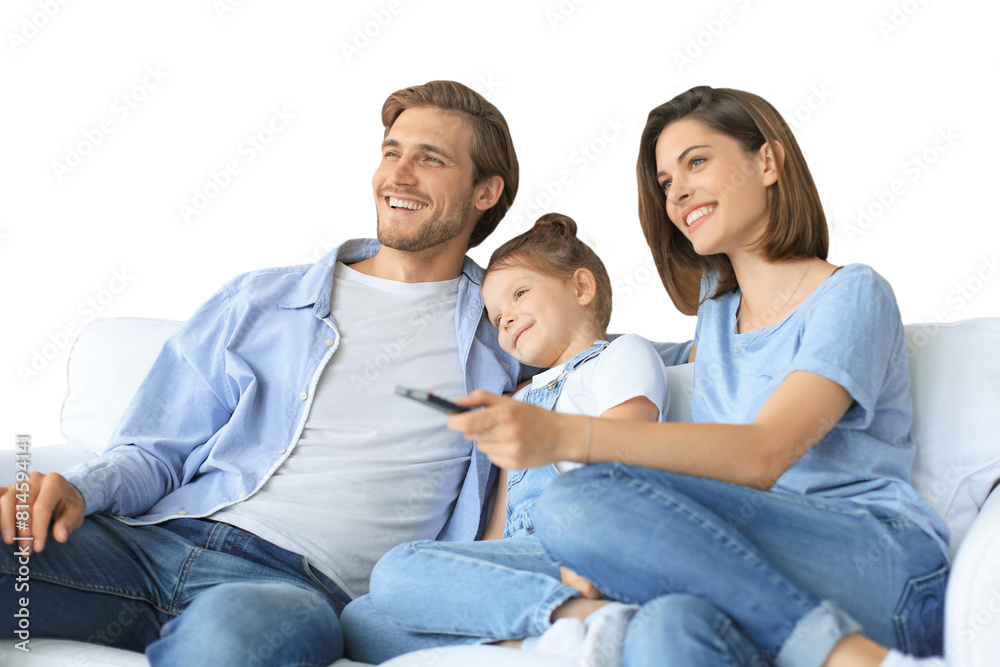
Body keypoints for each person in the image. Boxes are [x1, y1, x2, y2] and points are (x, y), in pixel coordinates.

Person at [0, 80, 524, 666]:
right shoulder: (262, 300)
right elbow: (155, 453)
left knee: (231, 644)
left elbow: (609, 371)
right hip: (148, 543)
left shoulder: (506, 331)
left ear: (486, 191)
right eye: (391, 152)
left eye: (430, 159)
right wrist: (78, 487)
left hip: (288, 590)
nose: (398, 176)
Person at [446, 86, 950, 667]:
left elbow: (763, 454)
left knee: (578, 501)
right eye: (664, 182)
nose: (678, 190)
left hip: (878, 565)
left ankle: (848, 655)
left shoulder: (851, 294)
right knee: (667, 627)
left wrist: (562, 437)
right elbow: (596, 352)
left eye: (697, 161)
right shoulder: (715, 321)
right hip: (740, 568)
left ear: (768, 161)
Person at [341, 212, 669, 665]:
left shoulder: (620, 354)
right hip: (525, 555)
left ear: (581, 288)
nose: (507, 318)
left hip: (583, 547)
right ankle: (550, 641)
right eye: (496, 317)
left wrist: (591, 552)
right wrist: (460, 574)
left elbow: (628, 452)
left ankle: (592, 616)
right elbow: (499, 528)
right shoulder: (519, 401)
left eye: (519, 294)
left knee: (400, 568)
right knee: (361, 620)